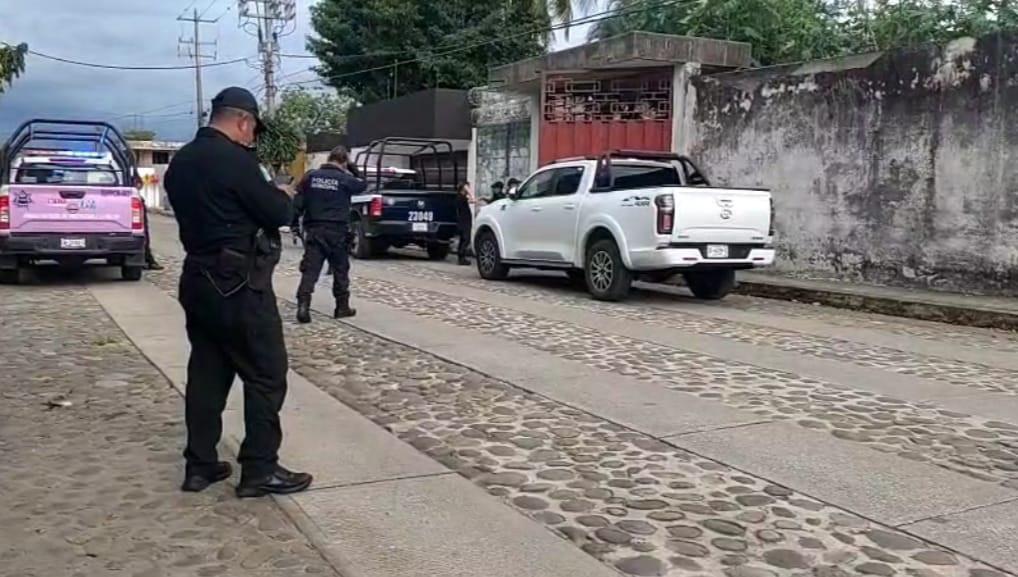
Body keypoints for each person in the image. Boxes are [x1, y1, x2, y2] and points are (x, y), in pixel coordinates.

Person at [164, 86, 312, 499]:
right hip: (240, 283)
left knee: (207, 373)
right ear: (242, 121)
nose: (253, 136)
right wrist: (281, 194)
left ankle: (199, 466)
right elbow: (277, 212)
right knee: (266, 374)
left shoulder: (181, 162)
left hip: (197, 278)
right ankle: (260, 469)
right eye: (253, 129)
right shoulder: (236, 161)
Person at [292, 145, 366, 324]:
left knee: (310, 270)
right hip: (337, 231)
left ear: (329, 159)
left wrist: (294, 224)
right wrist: (354, 169)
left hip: (315, 230)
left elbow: (298, 202)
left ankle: (303, 305)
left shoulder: (311, 176)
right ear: (344, 161)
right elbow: (363, 185)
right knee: (340, 270)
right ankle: (342, 307)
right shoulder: (345, 179)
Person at [455, 182, 474, 266]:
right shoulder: (461, 197)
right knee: (466, 239)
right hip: (464, 221)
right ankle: (461, 256)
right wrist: (468, 190)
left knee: (463, 239)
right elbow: (472, 198)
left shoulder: (461, 197)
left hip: (463, 220)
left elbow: (472, 200)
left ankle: (461, 257)